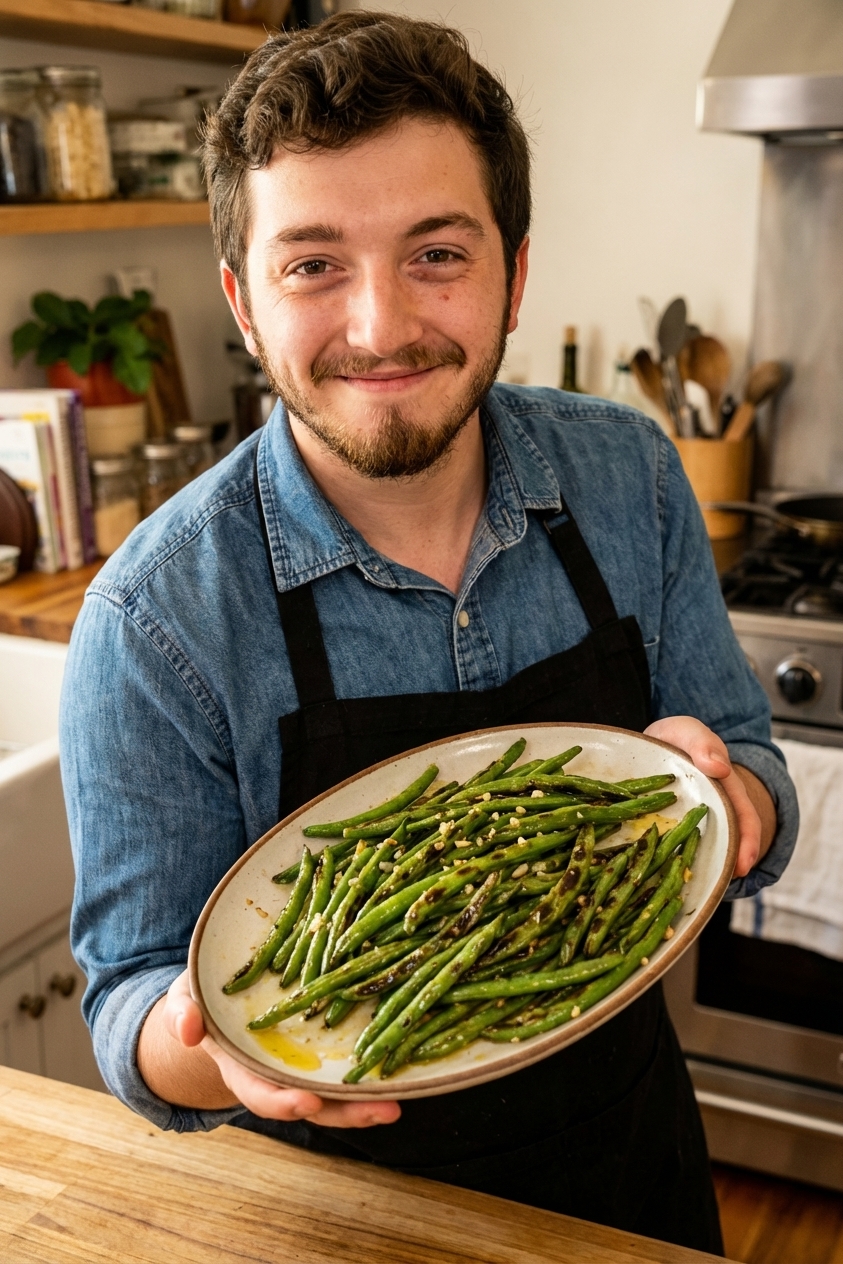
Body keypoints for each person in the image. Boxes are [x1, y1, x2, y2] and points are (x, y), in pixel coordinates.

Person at [60, 12, 797, 1256]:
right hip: (334, 1216)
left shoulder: (629, 477)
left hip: (633, 1175)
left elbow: (748, 762)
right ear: (244, 301)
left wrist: (730, 804)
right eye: (313, 265)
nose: (379, 325)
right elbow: (128, 996)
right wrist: (213, 1049)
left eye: (436, 253)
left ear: (515, 268)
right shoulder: (154, 617)